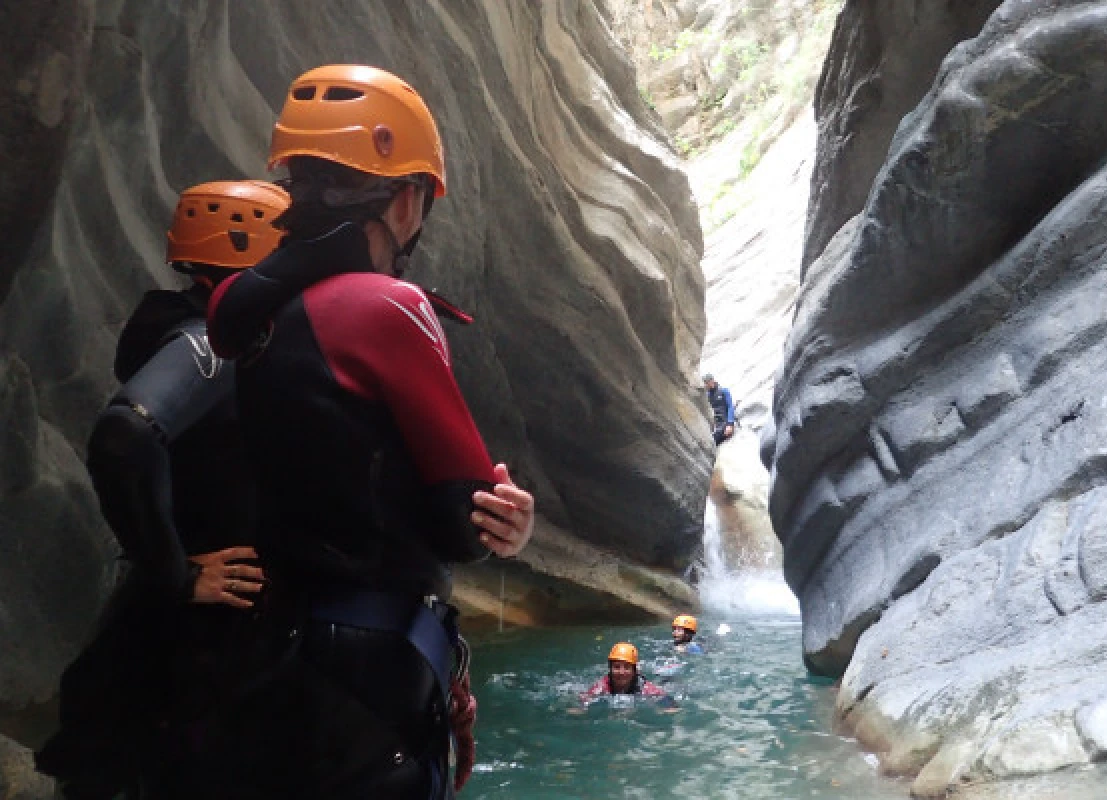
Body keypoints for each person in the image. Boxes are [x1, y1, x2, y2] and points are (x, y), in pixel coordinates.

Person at [204, 64, 535, 799]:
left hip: (275, 645)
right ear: (408, 202)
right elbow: (465, 526)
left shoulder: (249, 310)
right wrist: (507, 519)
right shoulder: (386, 308)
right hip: (372, 664)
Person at [35, 181, 289, 799]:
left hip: (168, 637)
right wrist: (177, 574)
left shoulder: (198, 335)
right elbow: (124, 438)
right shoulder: (212, 342)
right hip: (196, 646)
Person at [583, 643, 666, 699]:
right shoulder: (603, 685)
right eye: (616, 667)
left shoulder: (644, 687)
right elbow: (584, 698)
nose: (621, 672)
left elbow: (667, 701)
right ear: (610, 669)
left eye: (626, 667)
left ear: (634, 671)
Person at [704, 374, 735, 445]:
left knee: (714, 439)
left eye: (710, 381)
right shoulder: (707, 396)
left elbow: (730, 406)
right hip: (718, 425)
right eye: (707, 383)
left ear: (713, 380)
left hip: (726, 422)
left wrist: (730, 424)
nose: (709, 384)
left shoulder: (723, 390)